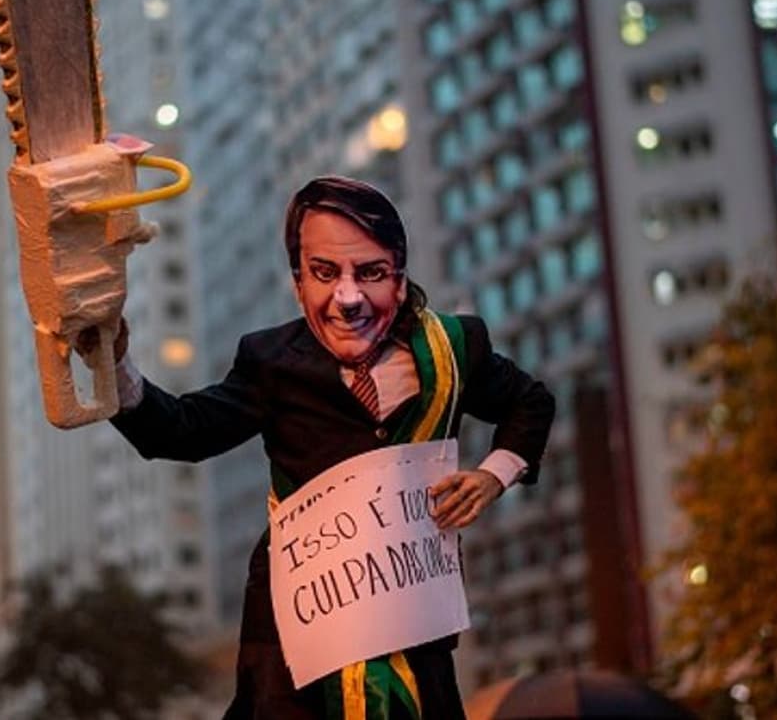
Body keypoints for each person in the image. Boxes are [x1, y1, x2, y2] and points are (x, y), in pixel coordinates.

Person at [90, 176, 555, 719]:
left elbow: (530, 403)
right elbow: (182, 431)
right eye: (325, 273)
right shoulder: (271, 362)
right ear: (298, 283)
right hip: (296, 638)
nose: (348, 299)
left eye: (371, 273)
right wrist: (113, 362)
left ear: (399, 279)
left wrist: (494, 475)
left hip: (411, 627)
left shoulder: (453, 348)